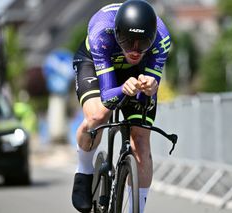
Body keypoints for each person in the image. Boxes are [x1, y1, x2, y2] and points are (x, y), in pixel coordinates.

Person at [71, 1, 171, 212]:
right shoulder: (101, 32)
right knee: (97, 116)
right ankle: (84, 170)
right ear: (117, 34)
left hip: (136, 72)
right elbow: (108, 97)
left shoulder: (162, 40)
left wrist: (151, 87)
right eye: (127, 41)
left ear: (152, 38)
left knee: (142, 141)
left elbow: (147, 101)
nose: (135, 50)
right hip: (98, 62)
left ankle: (137, 208)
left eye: (143, 44)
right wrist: (122, 89)